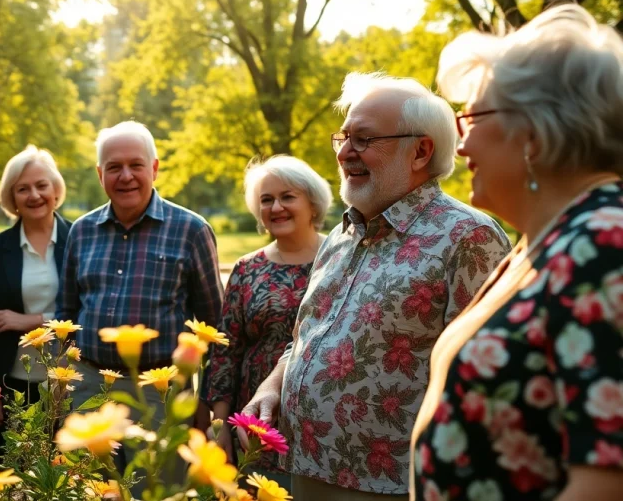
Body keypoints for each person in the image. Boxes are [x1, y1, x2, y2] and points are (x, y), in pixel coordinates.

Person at [243, 73, 511, 501]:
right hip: (304, 466)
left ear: (421, 150)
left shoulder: (468, 236)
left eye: (364, 139)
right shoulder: (341, 235)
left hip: (392, 485)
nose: (346, 152)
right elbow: (305, 338)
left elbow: (487, 382)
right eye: (344, 137)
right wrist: (272, 386)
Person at [410, 4, 623, 501]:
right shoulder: (548, 240)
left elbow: (608, 480)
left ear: (533, 129)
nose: (459, 147)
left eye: (472, 118)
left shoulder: (602, 244)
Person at [56, 120, 224, 490]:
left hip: (158, 393)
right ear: (100, 174)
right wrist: (61, 385)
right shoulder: (81, 231)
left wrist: (204, 400)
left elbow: (216, 327)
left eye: (136, 165)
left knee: (155, 490)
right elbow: (65, 313)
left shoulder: (191, 230)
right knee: (89, 491)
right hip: (89, 390)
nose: (126, 176)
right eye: (114, 167)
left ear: (155, 168)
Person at [204, 155, 332, 477]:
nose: (276, 207)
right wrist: (219, 426)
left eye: (288, 197)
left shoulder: (340, 258)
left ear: (313, 204)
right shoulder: (247, 269)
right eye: (267, 200)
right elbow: (225, 353)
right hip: (256, 422)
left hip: (324, 421)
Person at [0, 146, 72, 456]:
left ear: (55, 189)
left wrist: (32, 321)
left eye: (42, 185)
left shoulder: (79, 238)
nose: (34, 195)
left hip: (70, 382)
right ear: (12, 198)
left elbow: (88, 311)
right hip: (13, 382)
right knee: (17, 472)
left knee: (71, 475)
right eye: (22, 188)